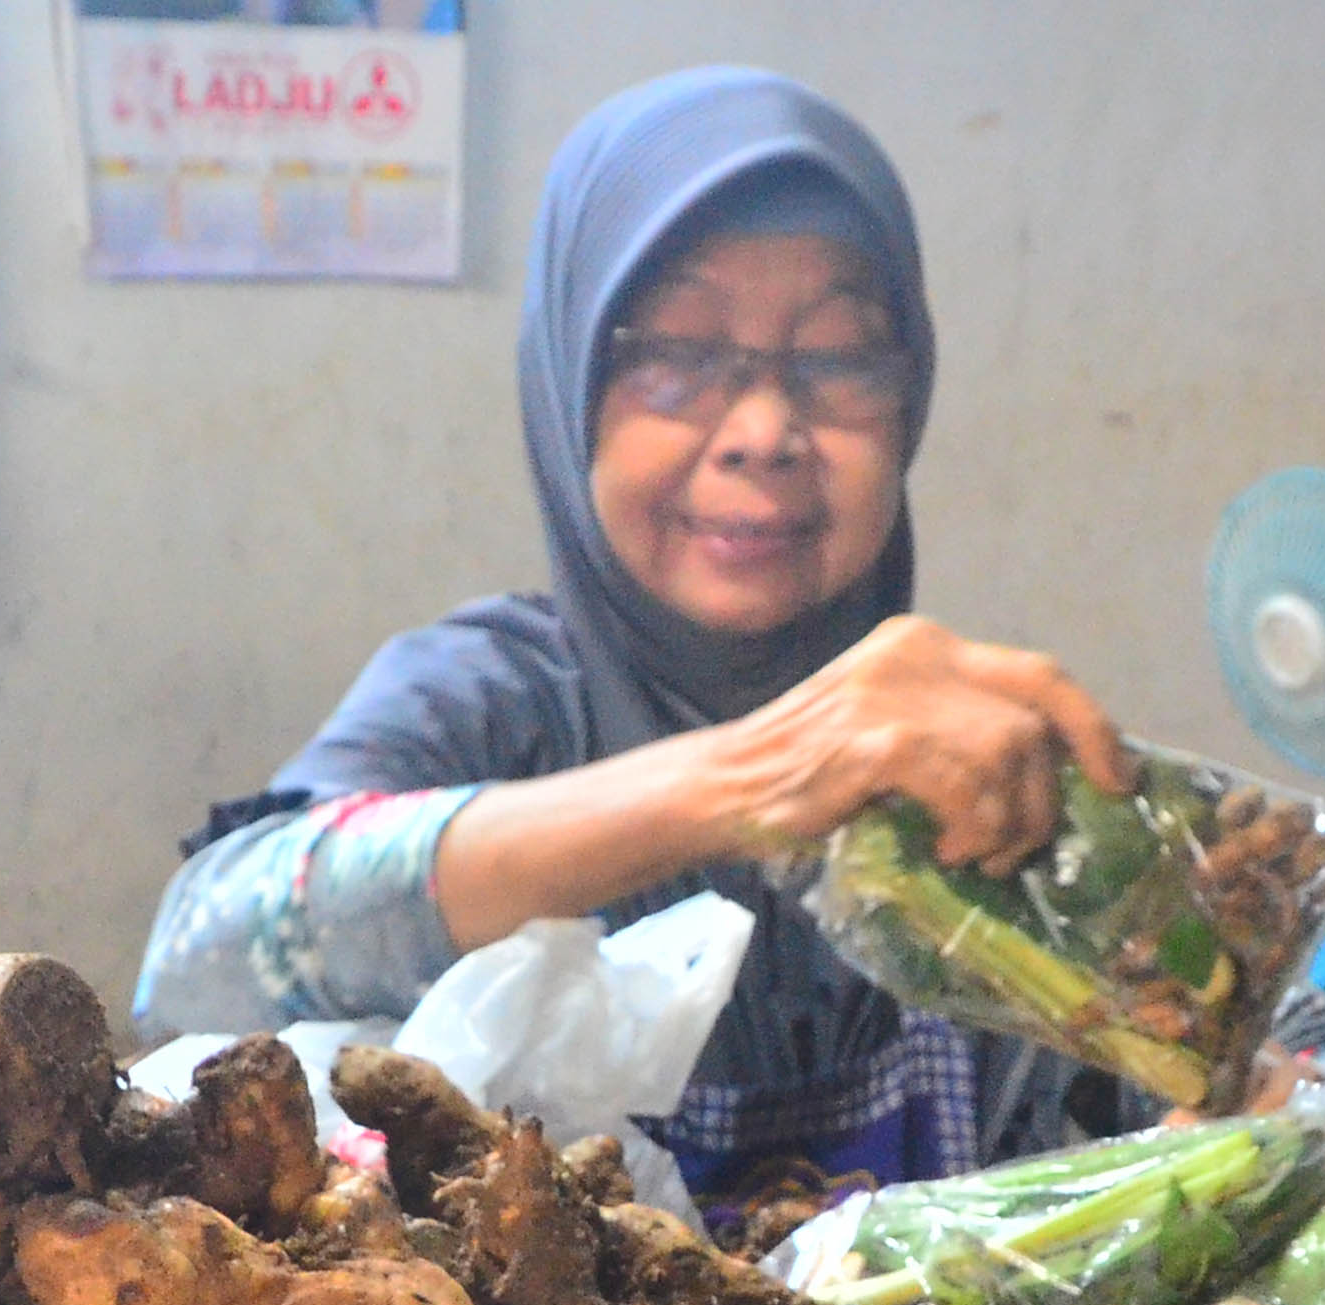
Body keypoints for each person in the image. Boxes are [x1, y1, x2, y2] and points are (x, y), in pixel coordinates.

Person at [137, 66, 1147, 1199]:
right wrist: (753, 778)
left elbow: (1214, 1069)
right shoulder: (487, 702)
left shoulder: (970, 762)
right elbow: (196, 962)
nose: (764, 430)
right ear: (570, 384)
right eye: (676, 352)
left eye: (836, 355)